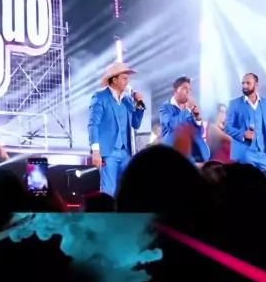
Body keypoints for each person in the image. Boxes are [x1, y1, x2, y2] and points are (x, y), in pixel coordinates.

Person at [88, 61, 145, 197]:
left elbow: (136, 124)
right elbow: (93, 124)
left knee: (126, 190)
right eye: (124, 78)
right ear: (114, 80)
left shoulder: (128, 101)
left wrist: (139, 105)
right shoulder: (100, 97)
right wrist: (95, 151)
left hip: (126, 153)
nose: (127, 82)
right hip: (108, 153)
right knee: (109, 191)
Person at [225, 73, 266, 181]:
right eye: (243, 83)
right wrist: (243, 134)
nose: (244, 86)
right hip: (245, 153)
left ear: (256, 85)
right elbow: (228, 127)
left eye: (248, 83)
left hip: (263, 153)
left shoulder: (265, 104)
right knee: (250, 180)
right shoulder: (235, 104)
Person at [159, 76, 210, 165]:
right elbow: (172, 124)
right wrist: (187, 110)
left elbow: (200, 133)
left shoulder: (189, 109)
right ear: (176, 90)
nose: (188, 92)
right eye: (185, 88)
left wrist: (197, 118)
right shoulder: (165, 107)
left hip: (190, 157)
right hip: (172, 155)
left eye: (190, 90)